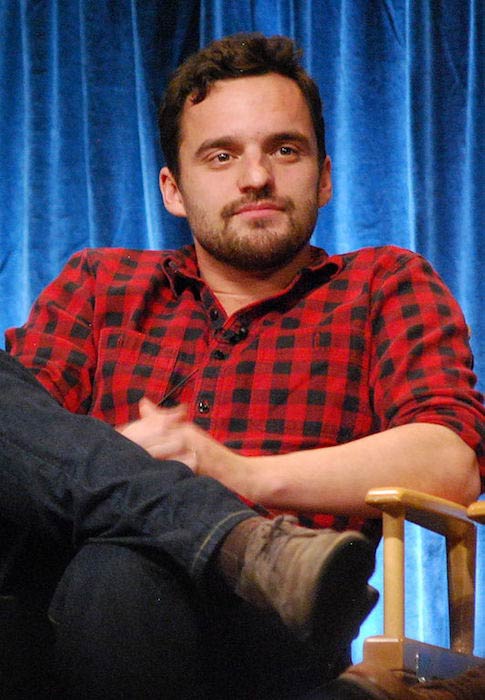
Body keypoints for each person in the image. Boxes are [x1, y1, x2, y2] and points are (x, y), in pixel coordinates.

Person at [3, 32, 484, 698]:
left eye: (283, 150)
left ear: (323, 178)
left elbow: (446, 459)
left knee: (122, 566)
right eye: (220, 155)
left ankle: (248, 554)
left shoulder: (382, 283)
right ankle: (249, 546)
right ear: (172, 188)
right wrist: (126, 469)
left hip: (265, 632)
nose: (255, 177)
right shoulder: (99, 283)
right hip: (47, 608)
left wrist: (228, 470)